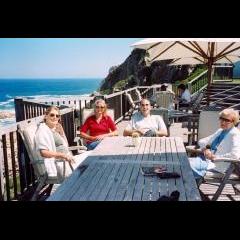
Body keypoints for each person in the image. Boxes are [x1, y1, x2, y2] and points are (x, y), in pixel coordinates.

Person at [34, 106, 89, 178]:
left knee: (93, 155)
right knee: (92, 162)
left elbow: (64, 145)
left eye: (57, 116)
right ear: (46, 116)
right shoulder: (42, 131)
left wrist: (61, 133)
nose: (55, 117)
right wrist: (63, 156)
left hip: (68, 160)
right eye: (52, 115)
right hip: (61, 165)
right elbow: (44, 153)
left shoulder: (52, 130)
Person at [189, 108, 240, 180]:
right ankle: (196, 179)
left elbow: (235, 155)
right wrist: (207, 149)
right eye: (221, 119)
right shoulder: (220, 131)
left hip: (217, 165)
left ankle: (198, 178)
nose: (223, 122)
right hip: (205, 160)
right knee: (183, 163)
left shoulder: (235, 134)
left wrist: (215, 157)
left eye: (227, 120)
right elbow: (203, 141)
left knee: (187, 167)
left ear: (233, 122)